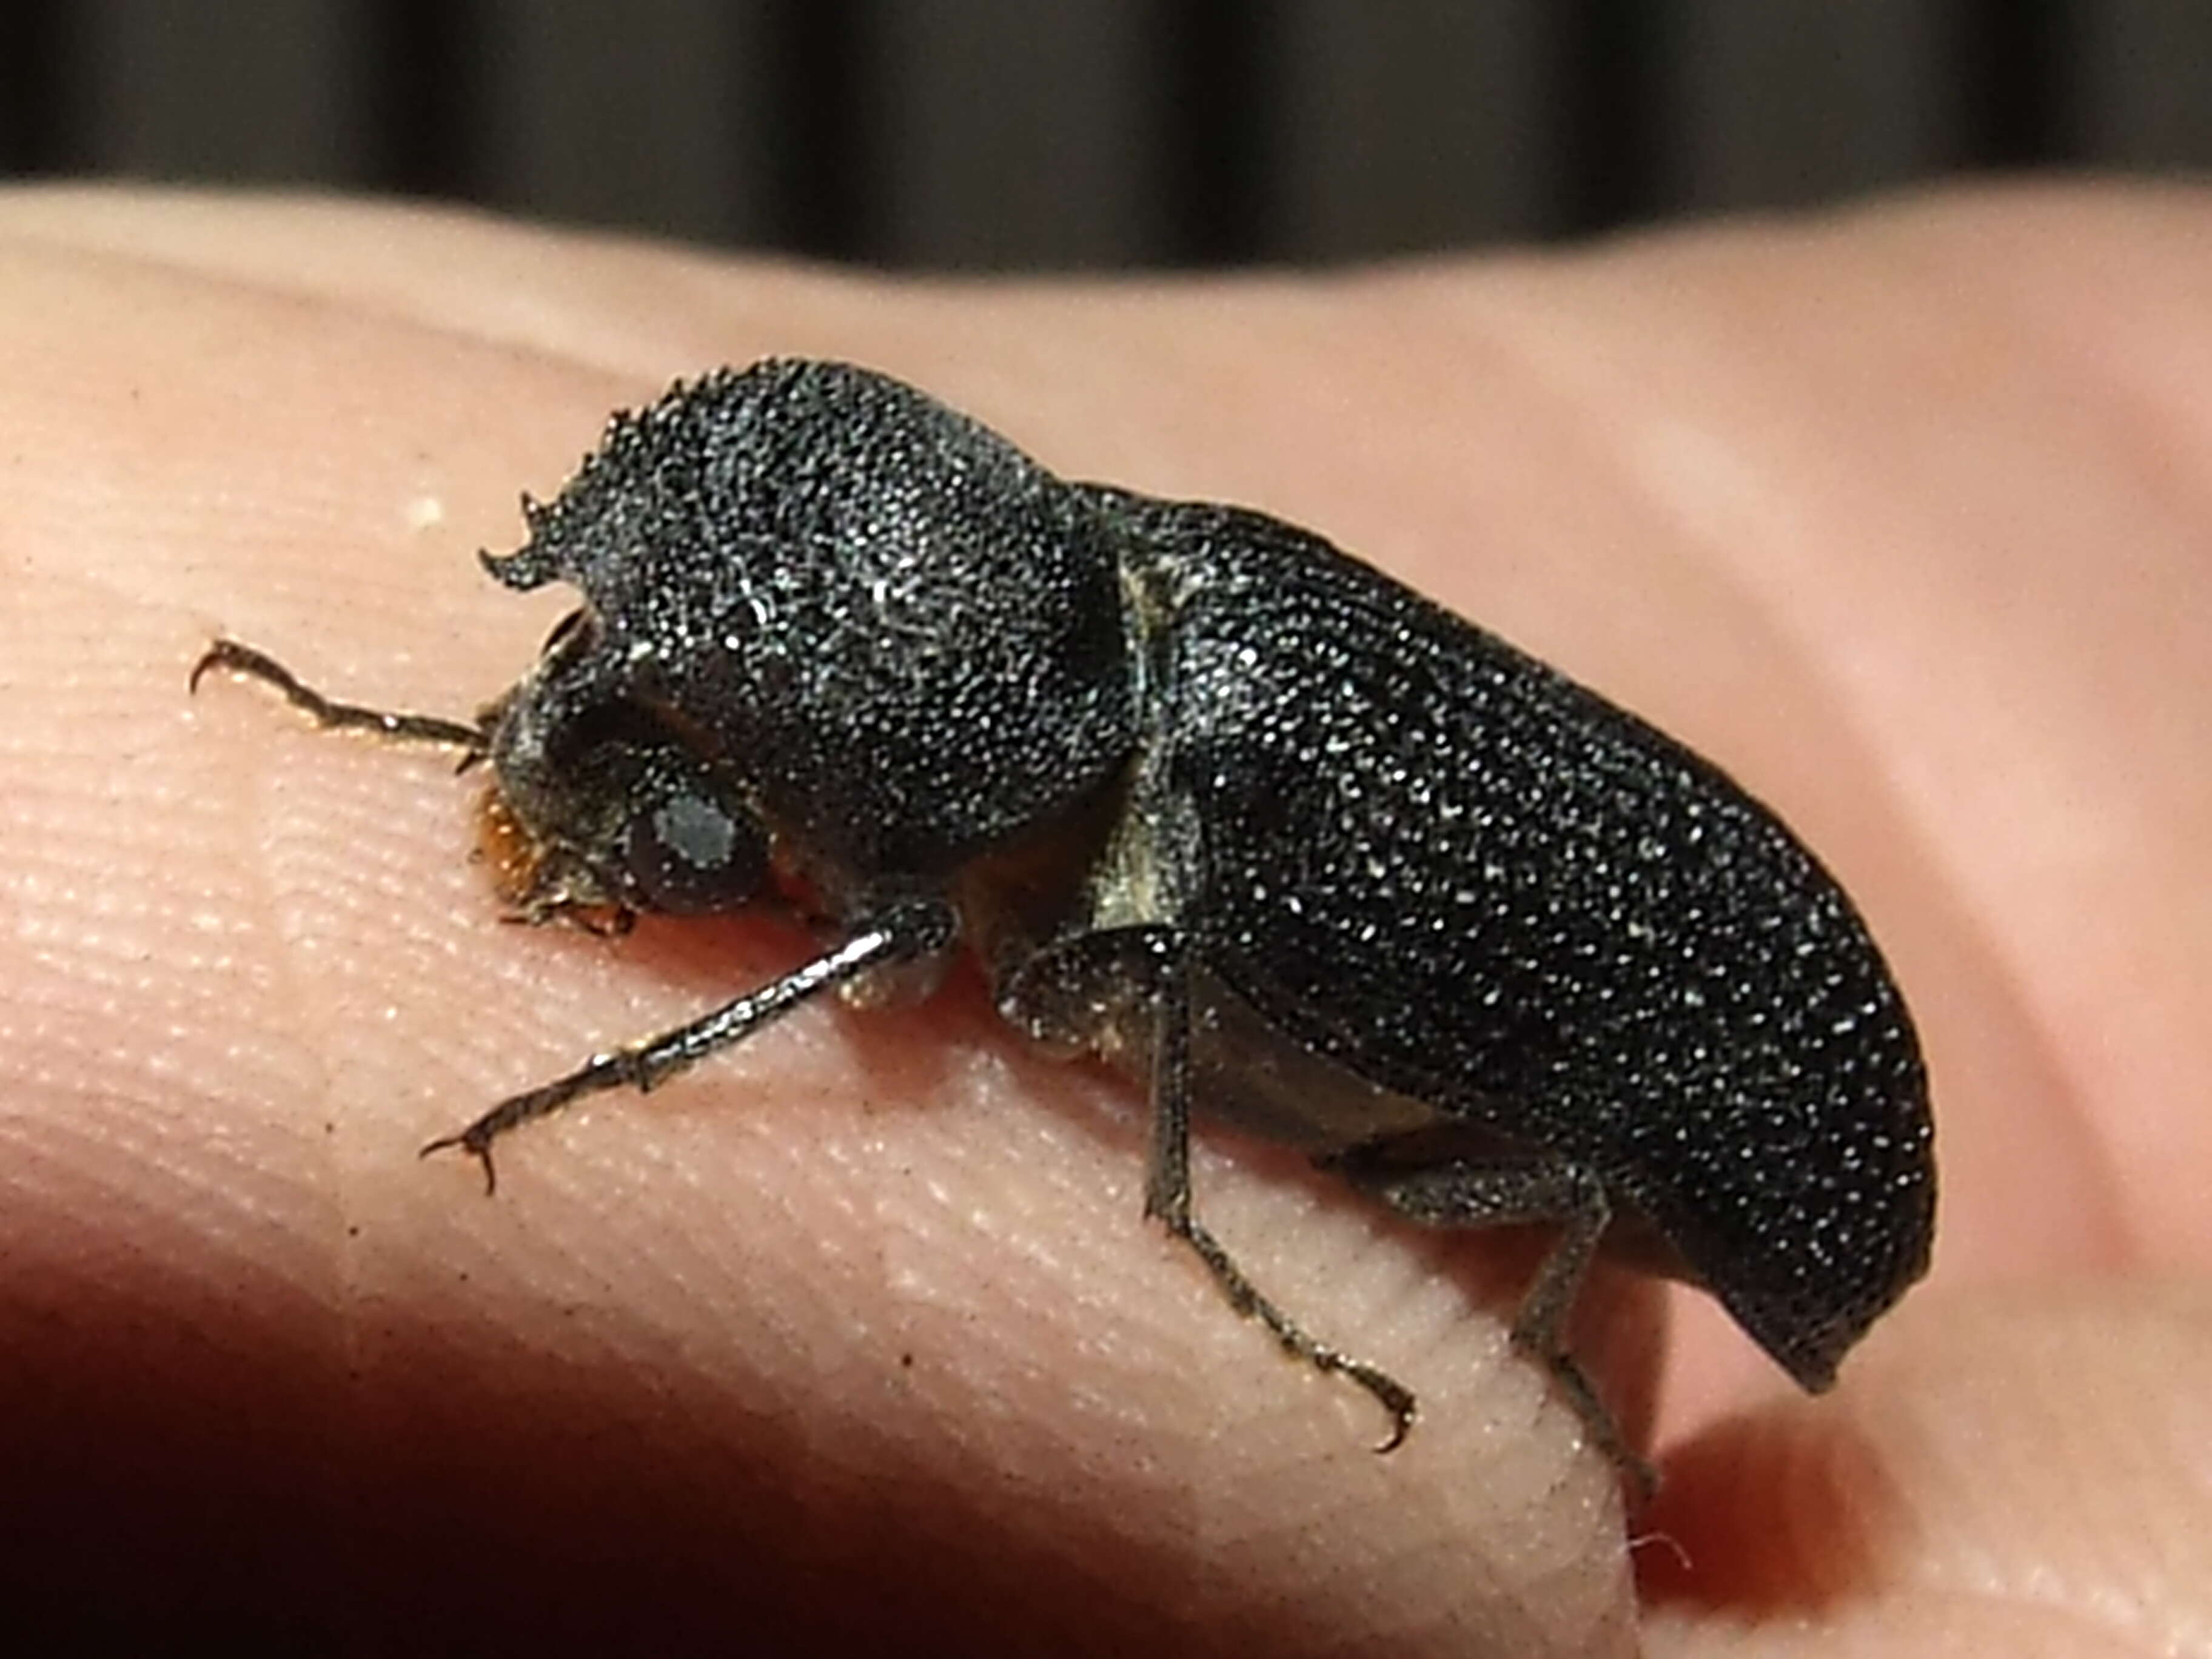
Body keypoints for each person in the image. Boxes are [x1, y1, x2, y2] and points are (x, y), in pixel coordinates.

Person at [2, 184, 2205, 1654]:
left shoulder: (1097, 794)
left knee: (1102, 980)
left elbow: (889, 930)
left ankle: (1481, 1317)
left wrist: (600, 1076)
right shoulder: (1059, 639)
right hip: (1652, 966)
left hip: (1755, 1088)